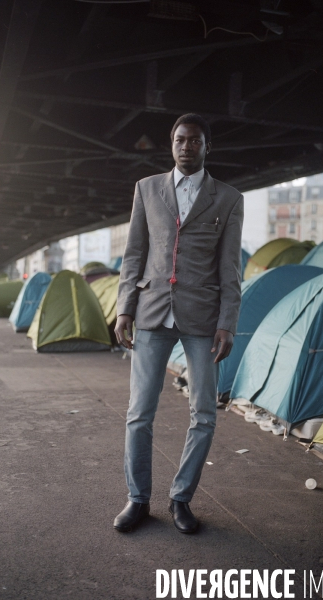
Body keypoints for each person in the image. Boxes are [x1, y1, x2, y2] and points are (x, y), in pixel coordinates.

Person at [113, 113, 243, 534]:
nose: (187, 147)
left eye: (195, 141)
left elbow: (230, 267)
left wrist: (228, 322)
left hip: (202, 318)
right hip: (152, 312)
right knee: (139, 414)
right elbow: (134, 252)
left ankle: (181, 498)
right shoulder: (146, 189)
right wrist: (124, 308)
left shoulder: (227, 198)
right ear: (171, 145)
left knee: (204, 413)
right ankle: (137, 500)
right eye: (180, 140)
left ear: (208, 147)